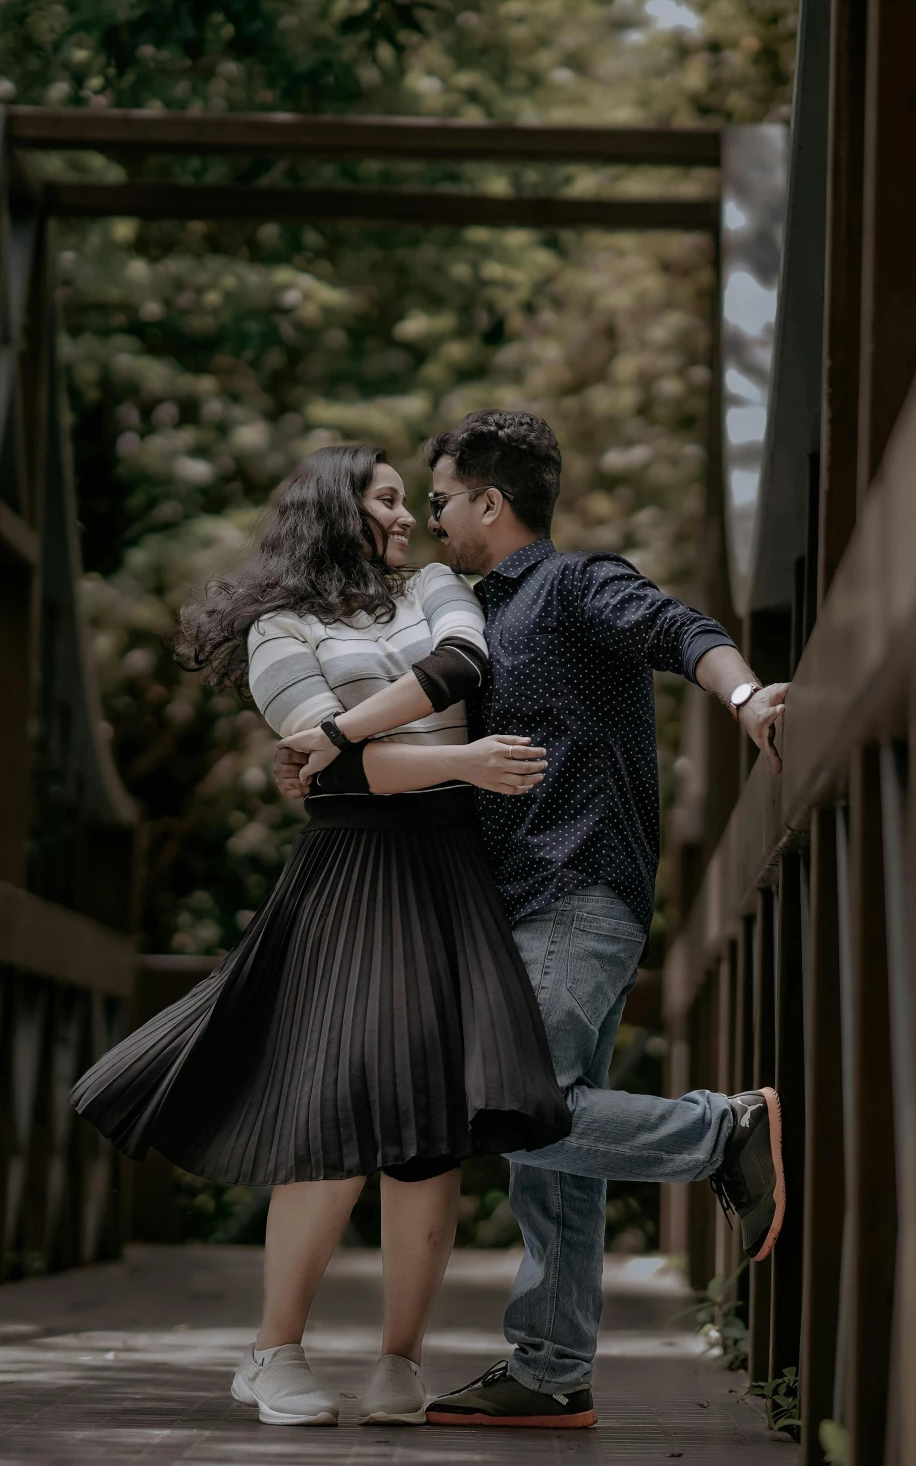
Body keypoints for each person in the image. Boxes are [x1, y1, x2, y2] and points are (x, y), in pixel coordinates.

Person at [277, 410, 791, 1429]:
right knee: (545, 1144)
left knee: (507, 1105)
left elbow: (678, 628)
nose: (429, 521)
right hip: (518, 902)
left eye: (436, 501)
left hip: (576, 885)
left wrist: (743, 702)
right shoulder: (467, 615)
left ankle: (717, 1132)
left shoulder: (571, 583)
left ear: (487, 502)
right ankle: (552, 1365)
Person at [71, 442, 569, 1430]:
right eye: (387, 498)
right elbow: (339, 787)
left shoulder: (430, 585)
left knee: (433, 1133)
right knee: (336, 1114)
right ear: (335, 511)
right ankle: (271, 1351)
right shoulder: (276, 628)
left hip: (446, 873)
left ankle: (399, 1360)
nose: (407, 516)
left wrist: (345, 735)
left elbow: (462, 661)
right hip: (350, 873)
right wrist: (458, 758)